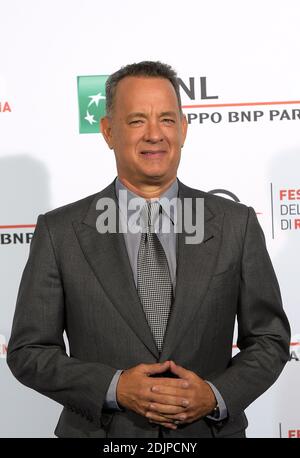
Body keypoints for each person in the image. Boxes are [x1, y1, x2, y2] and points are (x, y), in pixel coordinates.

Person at [7, 61, 290, 438]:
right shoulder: (60, 232)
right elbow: (29, 351)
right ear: (108, 131)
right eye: (137, 120)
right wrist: (114, 387)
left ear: (184, 129)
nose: (155, 135)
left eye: (168, 120)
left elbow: (270, 339)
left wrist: (215, 394)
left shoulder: (235, 224)